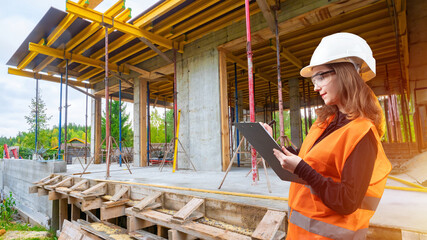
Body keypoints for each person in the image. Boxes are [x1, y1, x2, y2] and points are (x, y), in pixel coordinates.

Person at [263, 32, 392, 239]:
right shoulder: (326, 122)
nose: (315, 86)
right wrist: (273, 145)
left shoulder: (362, 133)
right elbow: (312, 161)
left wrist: (301, 168)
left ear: (345, 73)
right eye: (315, 78)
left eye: (321, 76)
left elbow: (347, 201)